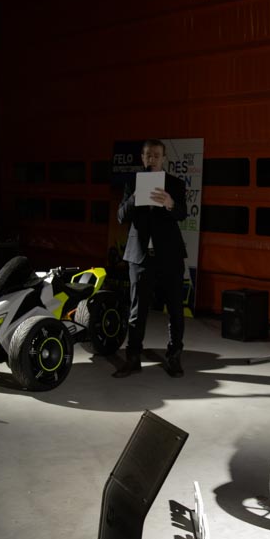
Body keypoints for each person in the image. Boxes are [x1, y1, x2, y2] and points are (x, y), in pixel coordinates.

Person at [113, 139, 187, 378]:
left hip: (170, 256)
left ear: (164, 158)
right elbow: (120, 216)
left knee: (175, 308)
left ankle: (174, 356)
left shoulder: (175, 184)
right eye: (147, 155)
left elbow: (183, 214)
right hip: (140, 256)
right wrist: (134, 198)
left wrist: (170, 203)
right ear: (142, 158)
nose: (151, 159)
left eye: (156, 155)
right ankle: (133, 358)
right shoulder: (132, 182)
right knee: (137, 310)